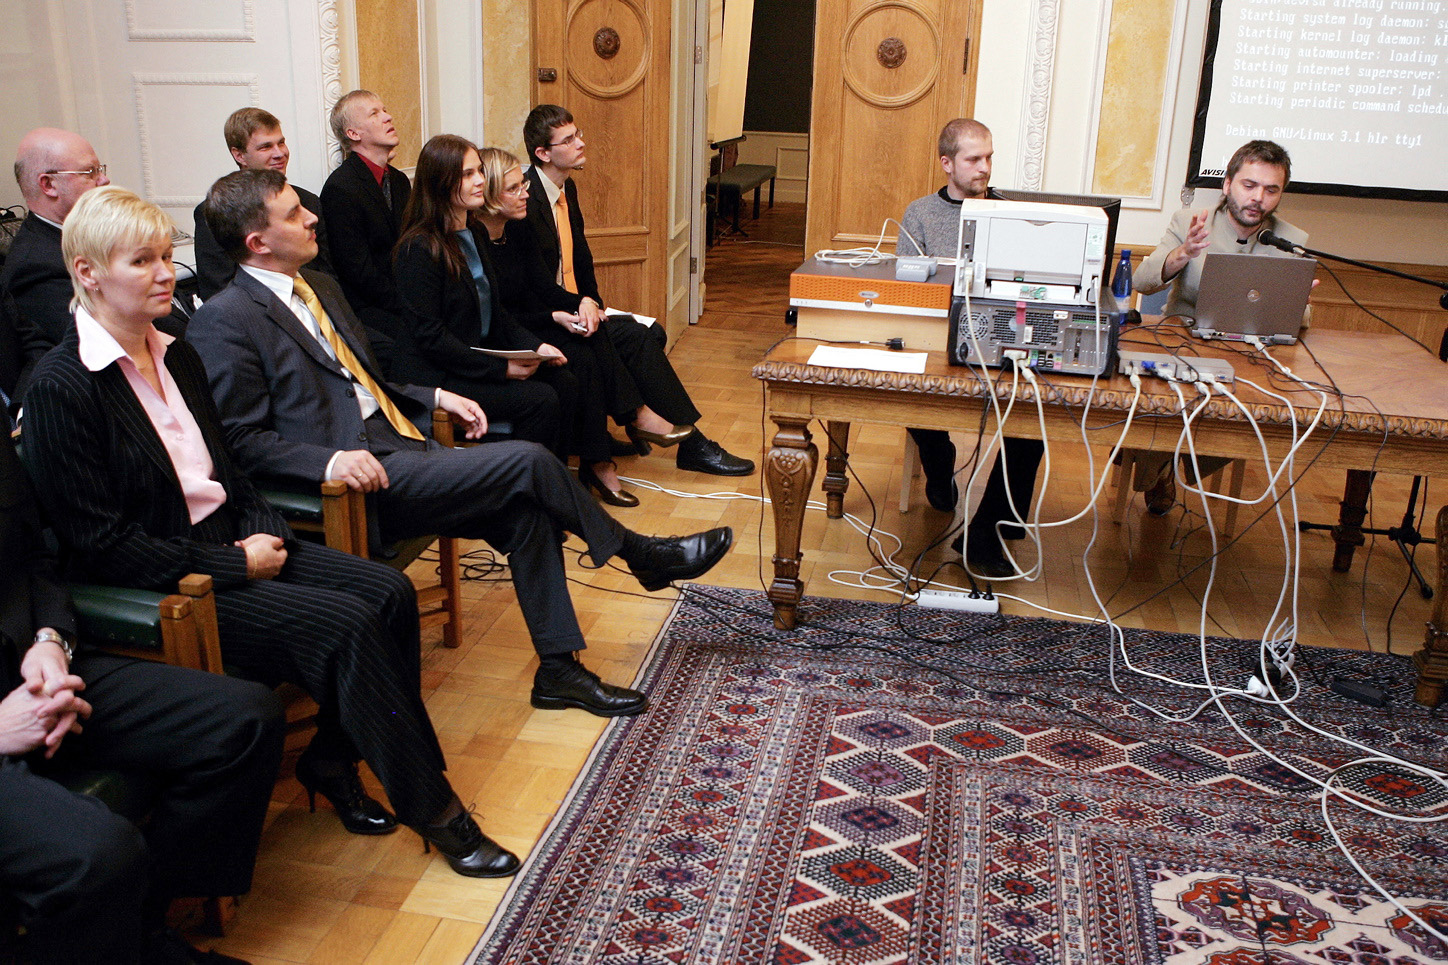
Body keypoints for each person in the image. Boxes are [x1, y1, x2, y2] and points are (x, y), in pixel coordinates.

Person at [22, 184, 521, 879]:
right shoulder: (62, 387)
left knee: (387, 592)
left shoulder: (178, 354)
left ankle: (333, 760)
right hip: (177, 577)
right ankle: (436, 811)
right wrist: (235, 563)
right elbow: (100, 546)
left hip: (237, 542)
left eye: (168, 256)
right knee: (344, 625)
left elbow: (233, 469)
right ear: (88, 273)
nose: (166, 273)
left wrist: (263, 531)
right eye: (143, 261)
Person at [187, 169, 733, 721]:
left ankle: (559, 673)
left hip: (403, 442)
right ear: (258, 242)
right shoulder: (224, 320)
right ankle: (641, 555)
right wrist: (330, 459)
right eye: (292, 214)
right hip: (356, 477)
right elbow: (238, 440)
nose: (311, 217)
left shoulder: (319, 288)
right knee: (528, 460)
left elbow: (363, 380)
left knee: (527, 513)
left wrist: (435, 395)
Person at [0, 427, 282, 965]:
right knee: (98, 857)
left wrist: (50, 643)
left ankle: (144, 931)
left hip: (33, 672)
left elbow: (33, 561)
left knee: (242, 720)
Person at [522, 105, 754, 477]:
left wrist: (594, 303)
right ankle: (683, 440)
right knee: (633, 338)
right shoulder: (525, 199)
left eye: (578, 134)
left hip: (576, 306)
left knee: (648, 332)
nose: (581, 143)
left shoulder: (568, 189)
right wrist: (578, 306)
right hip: (545, 319)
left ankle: (611, 430)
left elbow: (580, 260)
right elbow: (533, 284)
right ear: (543, 153)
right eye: (569, 140)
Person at [1128, 139, 1308, 514]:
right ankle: (1159, 466)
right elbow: (1143, 282)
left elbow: (1299, 319)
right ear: (1227, 185)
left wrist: (1298, 304)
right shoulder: (1189, 222)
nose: (1258, 197)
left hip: (1246, 352)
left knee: (1243, 403)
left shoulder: (1291, 240)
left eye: (1271, 190)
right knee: (1163, 396)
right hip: (1182, 340)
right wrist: (1182, 254)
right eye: (1249, 185)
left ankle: (1173, 464)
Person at [897, 118, 1044, 578]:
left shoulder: (1009, 210)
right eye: (974, 159)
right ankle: (939, 464)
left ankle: (994, 524)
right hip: (937, 333)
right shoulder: (919, 213)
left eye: (989, 158)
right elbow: (908, 289)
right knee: (908, 387)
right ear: (947, 163)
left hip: (1000, 335)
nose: (985, 168)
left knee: (1033, 416)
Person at [390, 135, 578, 463]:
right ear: (440, 183)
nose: (480, 180)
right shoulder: (417, 248)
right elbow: (431, 338)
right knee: (541, 399)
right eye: (467, 174)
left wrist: (536, 347)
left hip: (471, 357)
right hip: (435, 374)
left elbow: (497, 310)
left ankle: (553, 486)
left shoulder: (474, 231)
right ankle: (524, 491)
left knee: (564, 379)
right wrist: (500, 369)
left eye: (479, 170)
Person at [2, 128, 185, 400]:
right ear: (48, 185)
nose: (104, 179)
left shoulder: (98, 236)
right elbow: (116, 336)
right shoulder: (35, 265)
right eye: (90, 172)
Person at [192, 108, 333, 300]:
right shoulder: (215, 212)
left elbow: (328, 274)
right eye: (265, 147)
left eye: (281, 143)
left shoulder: (309, 202)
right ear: (239, 155)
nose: (279, 154)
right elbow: (218, 289)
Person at [319, 90, 410, 347]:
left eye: (384, 110)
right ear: (353, 134)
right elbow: (358, 271)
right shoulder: (341, 188)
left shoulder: (400, 181)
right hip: (369, 310)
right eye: (375, 113)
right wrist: (407, 304)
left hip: (402, 298)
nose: (388, 117)